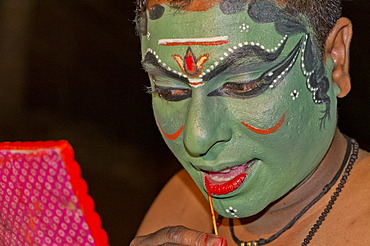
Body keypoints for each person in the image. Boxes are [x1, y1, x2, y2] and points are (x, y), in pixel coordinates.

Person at [131, 0, 370, 245]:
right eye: (169, 91)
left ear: (335, 59)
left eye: (242, 85)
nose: (198, 138)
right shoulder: (178, 203)